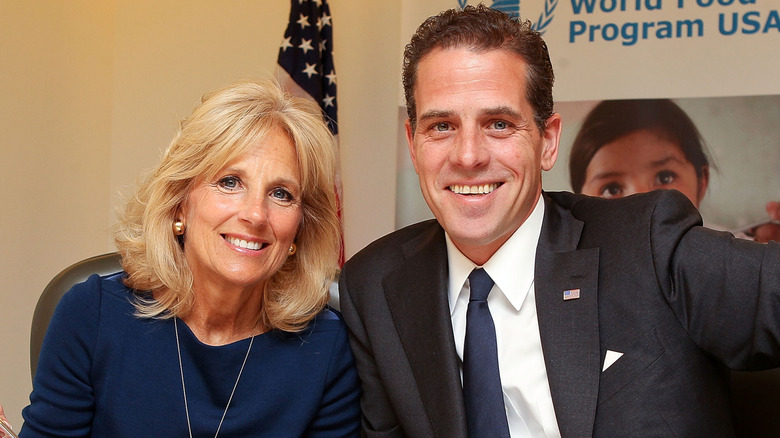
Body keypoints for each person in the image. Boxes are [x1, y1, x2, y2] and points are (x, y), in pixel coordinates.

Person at [338, 5, 780, 438]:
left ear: (547, 142)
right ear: (413, 145)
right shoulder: (377, 285)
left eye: (498, 124)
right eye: (441, 127)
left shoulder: (646, 244)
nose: (468, 156)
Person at [2, 79, 360, 437]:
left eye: (281, 193)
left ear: (299, 228)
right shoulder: (90, 316)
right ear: (179, 204)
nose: (255, 215)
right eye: (230, 182)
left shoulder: (326, 348)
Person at [569, 98, 780, 242]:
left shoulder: (739, 253)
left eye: (664, 177)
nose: (643, 203)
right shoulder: (567, 271)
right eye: (612, 189)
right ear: (580, 204)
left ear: (702, 181)